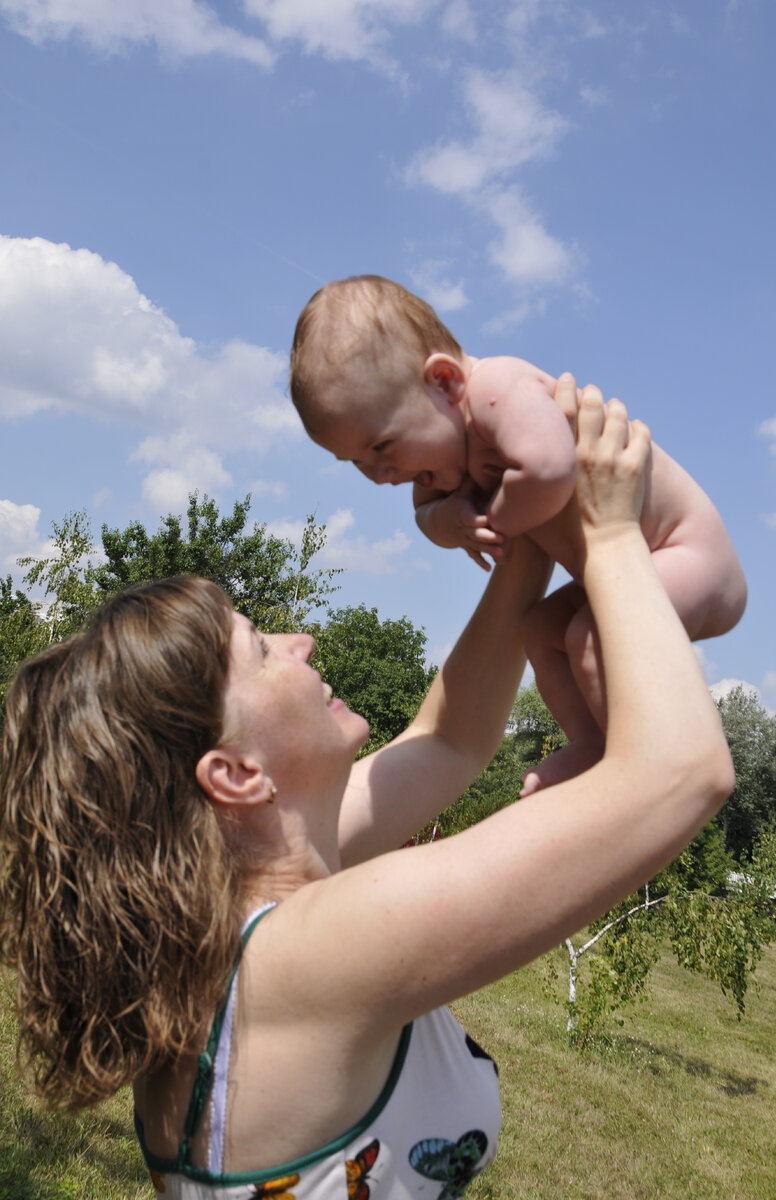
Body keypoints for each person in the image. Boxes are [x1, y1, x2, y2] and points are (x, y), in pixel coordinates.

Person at [0, 385, 734, 1199]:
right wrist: (610, 529)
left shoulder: (245, 921)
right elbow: (678, 771)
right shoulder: (314, 955)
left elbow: (448, 741)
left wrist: (530, 516)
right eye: (261, 649)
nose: (300, 640)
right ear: (235, 775)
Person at [289, 275, 747, 792]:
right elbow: (426, 518)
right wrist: (453, 522)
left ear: (444, 382)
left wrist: (496, 519)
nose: (378, 475)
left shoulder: (495, 390)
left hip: (688, 554)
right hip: (632, 569)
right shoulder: (435, 459)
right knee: (543, 633)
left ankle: (636, 769)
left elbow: (550, 470)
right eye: (355, 463)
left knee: (588, 641)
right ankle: (592, 745)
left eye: (382, 446)